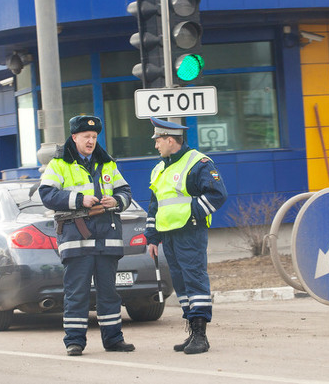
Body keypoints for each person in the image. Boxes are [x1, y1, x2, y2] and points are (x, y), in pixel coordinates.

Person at [39, 115, 135, 356]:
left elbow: (125, 190)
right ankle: (74, 342)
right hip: (76, 239)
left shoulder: (107, 163)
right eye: (86, 137)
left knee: (109, 293)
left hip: (107, 239)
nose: (91, 141)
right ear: (74, 137)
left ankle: (113, 340)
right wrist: (79, 200)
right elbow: (47, 194)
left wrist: (117, 200)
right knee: (76, 293)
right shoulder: (59, 164)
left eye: (94, 137)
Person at [145, 117, 228, 355]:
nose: (156, 145)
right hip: (169, 235)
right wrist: (152, 236)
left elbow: (217, 194)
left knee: (194, 280)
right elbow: (155, 204)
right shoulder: (160, 167)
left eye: (158, 140)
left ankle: (201, 336)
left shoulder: (199, 163)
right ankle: (193, 330)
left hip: (190, 232)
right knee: (181, 283)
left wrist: (192, 214)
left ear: (170, 140)